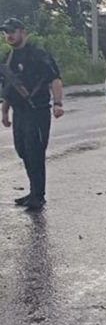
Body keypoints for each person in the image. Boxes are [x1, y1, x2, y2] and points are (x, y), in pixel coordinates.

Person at [1, 18, 64, 211]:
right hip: (19, 112)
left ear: (23, 32)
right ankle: (33, 191)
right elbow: (8, 88)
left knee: (35, 152)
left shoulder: (38, 54)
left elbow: (55, 79)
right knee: (22, 151)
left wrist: (58, 103)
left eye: (12, 31)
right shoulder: (7, 59)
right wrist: (4, 112)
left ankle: (38, 195)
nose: (9, 35)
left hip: (37, 111)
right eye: (6, 32)